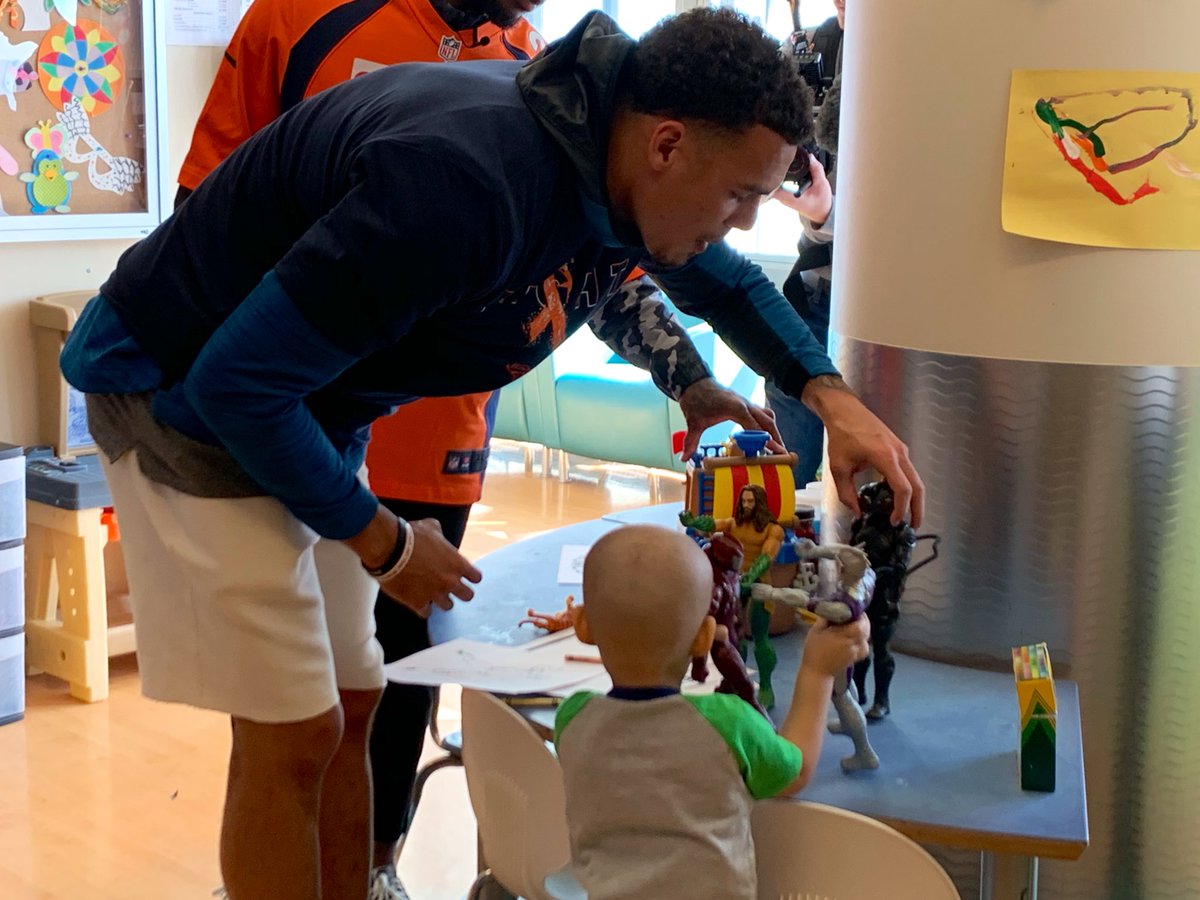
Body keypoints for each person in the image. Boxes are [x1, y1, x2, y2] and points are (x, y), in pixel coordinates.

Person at [61, 8, 922, 898]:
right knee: (294, 730)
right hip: (183, 400)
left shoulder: (609, 158)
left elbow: (727, 286)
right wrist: (386, 543)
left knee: (357, 702)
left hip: (302, 403)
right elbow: (233, 385)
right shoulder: (463, 184)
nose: (745, 222)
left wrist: (834, 400)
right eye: (742, 194)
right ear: (667, 146)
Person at [174, 3, 744, 897]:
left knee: (391, 685)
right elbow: (212, 212)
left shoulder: (536, 66)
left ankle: (372, 868)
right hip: (290, 418)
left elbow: (589, 270)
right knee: (286, 714)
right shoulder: (301, 17)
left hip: (435, 435)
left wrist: (687, 376)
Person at [555, 524, 870, 899]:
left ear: (583, 627)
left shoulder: (572, 719)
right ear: (705, 636)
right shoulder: (727, 723)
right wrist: (817, 672)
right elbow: (796, 770)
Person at [768, 0, 846, 485]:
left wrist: (829, 214)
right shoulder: (812, 46)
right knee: (783, 478)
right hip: (814, 289)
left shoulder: (924, 61)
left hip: (895, 313)